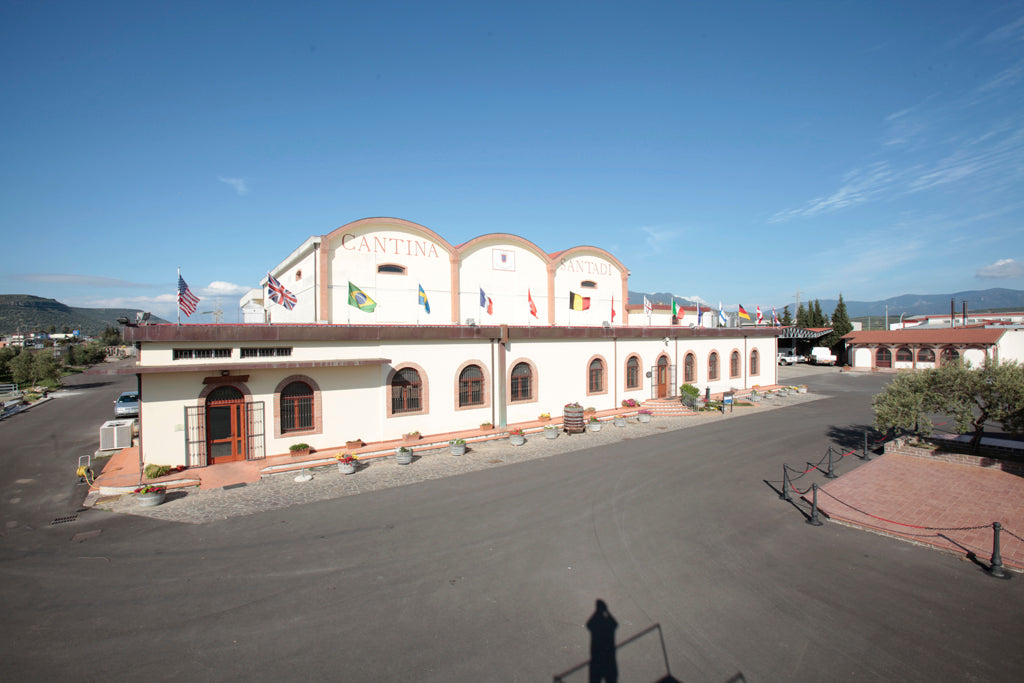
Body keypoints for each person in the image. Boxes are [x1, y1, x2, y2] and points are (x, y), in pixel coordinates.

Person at [586, 599, 618, 683]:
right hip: (607, 660)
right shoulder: (607, 622)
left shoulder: (598, 623)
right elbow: (614, 624)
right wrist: (606, 611)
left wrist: (598, 612)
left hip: (599, 661)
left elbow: (589, 624)